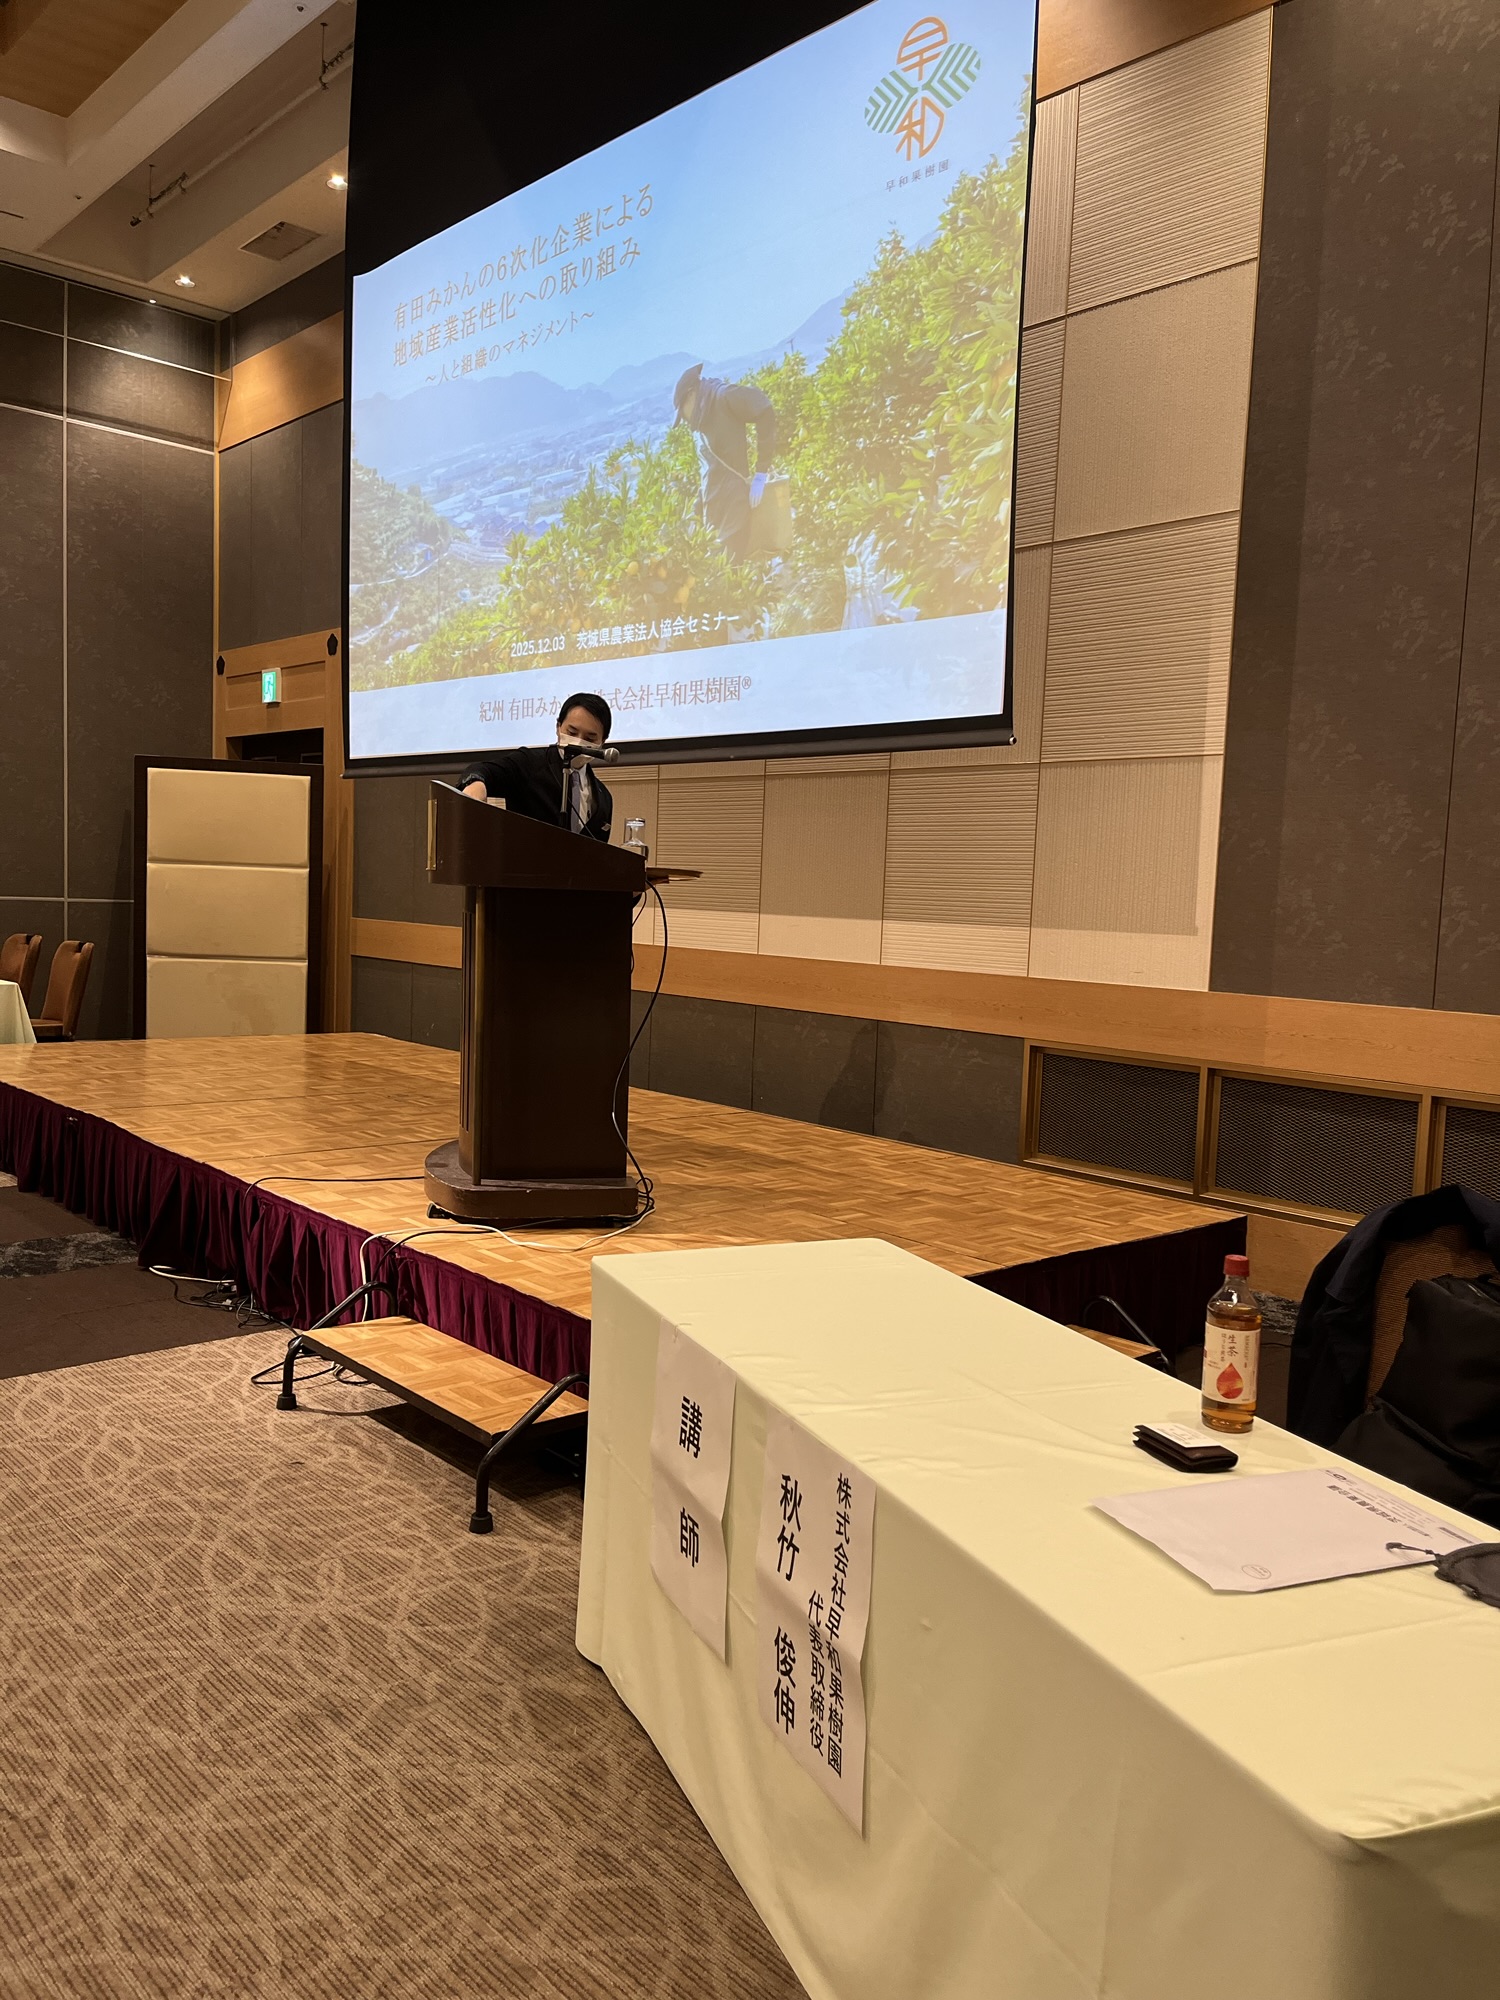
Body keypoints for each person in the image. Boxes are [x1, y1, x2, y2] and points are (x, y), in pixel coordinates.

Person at [458, 692, 614, 840]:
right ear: (558, 727)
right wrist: (475, 783)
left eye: (590, 739)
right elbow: (483, 770)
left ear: (603, 741)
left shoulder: (604, 798)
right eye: (572, 733)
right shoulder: (529, 763)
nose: (579, 742)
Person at [673, 361, 777, 561]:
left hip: (735, 509)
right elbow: (710, 472)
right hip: (715, 517)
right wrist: (695, 512)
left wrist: (761, 472)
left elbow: (763, 407)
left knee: (729, 571)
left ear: (691, 395)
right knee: (718, 571)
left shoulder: (723, 396)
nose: (684, 419)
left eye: (682, 412)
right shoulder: (701, 421)